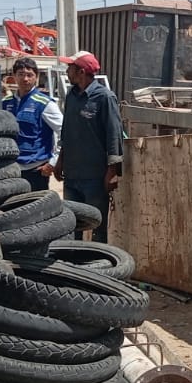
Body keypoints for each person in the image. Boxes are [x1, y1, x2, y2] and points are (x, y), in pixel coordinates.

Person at [52, 50, 123, 243]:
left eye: (70, 68)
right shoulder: (72, 96)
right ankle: (74, 263)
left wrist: (112, 171)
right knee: (72, 222)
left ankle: (97, 266)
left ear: (81, 72)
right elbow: (67, 131)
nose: (67, 71)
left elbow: (114, 135)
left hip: (95, 177)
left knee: (96, 223)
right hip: (73, 175)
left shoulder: (104, 98)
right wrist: (60, 162)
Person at [2, 56, 63, 191]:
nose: (25, 79)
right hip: (11, 169)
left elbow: (65, 133)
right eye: (21, 74)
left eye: (30, 75)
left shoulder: (44, 103)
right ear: (14, 76)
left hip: (36, 170)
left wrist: (53, 162)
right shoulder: (6, 103)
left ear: (36, 76)